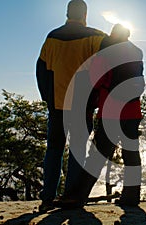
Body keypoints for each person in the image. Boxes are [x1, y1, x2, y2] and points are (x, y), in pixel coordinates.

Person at [57, 24, 145, 208]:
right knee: (131, 154)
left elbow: (95, 82)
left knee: (97, 155)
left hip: (111, 111)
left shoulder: (105, 54)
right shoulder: (136, 53)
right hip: (132, 111)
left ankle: (77, 197)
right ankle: (131, 197)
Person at [36, 0, 106, 212]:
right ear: (85, 15)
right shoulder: (96, 37)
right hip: (81, 105)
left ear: (67, 13)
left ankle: (47, 197)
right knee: (77, 152)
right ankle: (71, 197)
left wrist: (48, 98)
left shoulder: (52, 37)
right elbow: (104, 70)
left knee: (54, 150)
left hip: (57, 105)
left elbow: (41, 70)